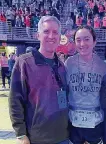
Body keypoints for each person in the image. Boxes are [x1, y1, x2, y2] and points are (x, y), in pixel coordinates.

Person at [9, 16, 69, 144]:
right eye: (46, 31)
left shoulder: (62, 66)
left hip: (63, 136)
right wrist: (21, 133)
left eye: (55, 32)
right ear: (38, 35)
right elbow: (15, 99)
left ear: (60, 37)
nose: (51, 36)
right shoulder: (24, 62)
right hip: (37, 138)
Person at [64, 25, 106, 144]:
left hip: (96, 121)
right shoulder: (69, 63)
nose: (82, 44)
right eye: (78, 40)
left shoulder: (104, 66)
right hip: (73, 120)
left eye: (86, 39)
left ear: (94, 42)